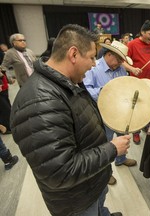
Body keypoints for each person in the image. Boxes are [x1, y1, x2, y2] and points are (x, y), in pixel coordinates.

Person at [10, 24, 129, 216]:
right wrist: (112, 149)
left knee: (100, 208)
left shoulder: (67, 83)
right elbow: (60, 171)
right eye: (91, 57)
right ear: (73, 54)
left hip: (91, 184)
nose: (93, 64)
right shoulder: (40, 102)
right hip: (77, 201)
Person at [83, 40, 136, 185]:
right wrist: (104, 91)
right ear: (108, 54)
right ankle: (106, 173)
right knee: (105, 143)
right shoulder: (93, 68)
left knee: (122, 137)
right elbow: (85, 90)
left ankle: (121, 159)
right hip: (101, 115)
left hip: (120, 113)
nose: (120, 63)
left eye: (122, 60)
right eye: (118, 59)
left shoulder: (120, 69)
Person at [124, 20, 150, 144]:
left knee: (149, 106)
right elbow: (122, 62)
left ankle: (146, 125)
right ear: (142, 32)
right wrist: (132, 69)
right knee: (136, 109)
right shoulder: (132, 44)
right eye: (149, 34)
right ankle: (136, 132)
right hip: (136, 82)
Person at [0, 67, 14, 133]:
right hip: (1, 90)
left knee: (7, 108)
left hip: (4, 89)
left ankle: (6, 126)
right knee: (6, 109)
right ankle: (7, 128)